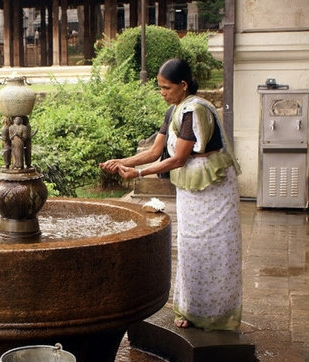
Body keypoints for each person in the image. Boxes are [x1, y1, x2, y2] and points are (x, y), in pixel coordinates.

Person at [100, 58, 243, 331]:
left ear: (183, 85)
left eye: (166, 87)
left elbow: (178, 159)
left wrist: (138, 174)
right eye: (160, 88)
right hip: (191, 189)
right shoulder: (175, 110)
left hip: (214, 190)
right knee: (191, 246)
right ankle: (191, 309)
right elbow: (155, 152)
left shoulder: (195, 111)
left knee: (217, 248)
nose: (162, 93)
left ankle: (218, 314)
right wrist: (122, 162)